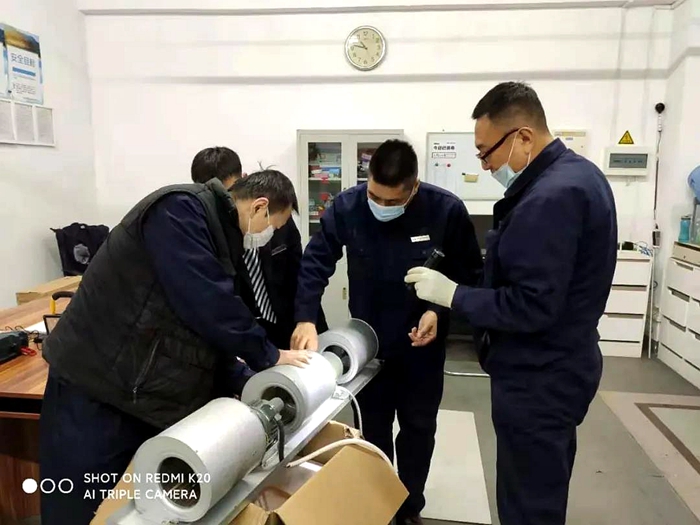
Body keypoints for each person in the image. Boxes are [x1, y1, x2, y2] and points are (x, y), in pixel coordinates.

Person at [40, 170, 311, 525]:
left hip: (143, 392)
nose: (268, 237)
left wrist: (245, 378)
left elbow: (204, 331)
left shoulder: (221, 238)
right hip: (97, 387)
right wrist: (269, 355)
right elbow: (207, 303)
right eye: (272, 227)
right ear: (259, 207)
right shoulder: (179, 211)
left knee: (136, 510)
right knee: (80, 504)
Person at [405, 82, 618, 525]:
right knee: (540, 489)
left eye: (486, 153)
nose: (485, 165)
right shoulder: (580, 176)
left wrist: (452, 295)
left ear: (523, 136)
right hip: (561, 365)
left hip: (539, 376)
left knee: (527, 504)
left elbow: (531, 306)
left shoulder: (551, 197)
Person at [292, 139, 483, 525]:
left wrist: (437, 311)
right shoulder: (347, 207)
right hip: (367, 346)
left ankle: (409, 507)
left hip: (421, 345)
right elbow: (315, 263)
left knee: (418, 430)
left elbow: (468, 274)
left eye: (393, 201)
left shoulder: (445, 210)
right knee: (372, 430)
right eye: (375, 196)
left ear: (414, 187)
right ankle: (380, 503)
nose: (382, 206)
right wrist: (306, 318)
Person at [191, 146, 327, 348]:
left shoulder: (277, 215)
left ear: (242, 181)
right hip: (244, 331)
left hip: (285, 321)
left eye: (228, 193)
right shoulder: (211, 233)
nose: (227, 204)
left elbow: (299, 273)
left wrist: (308, 321)